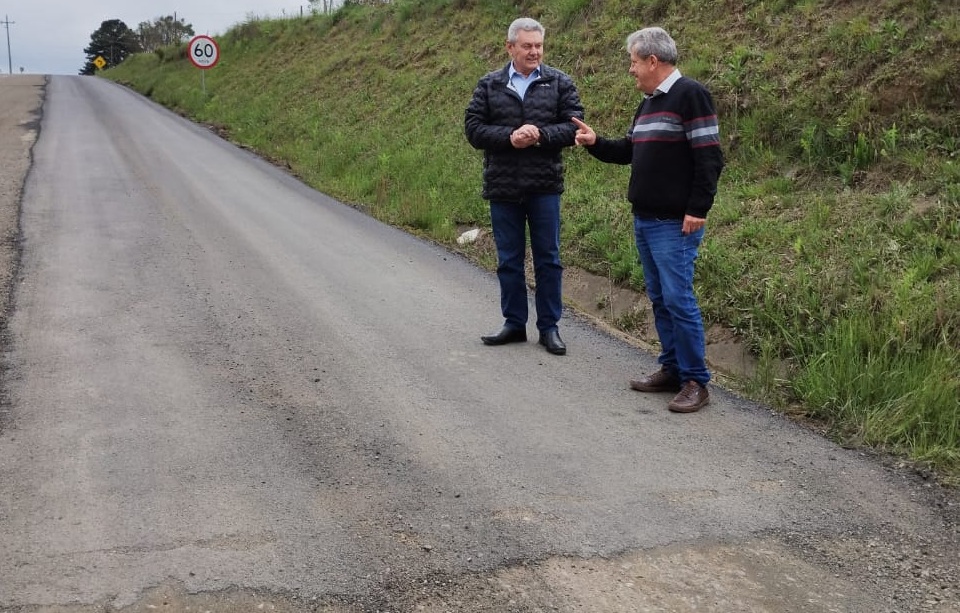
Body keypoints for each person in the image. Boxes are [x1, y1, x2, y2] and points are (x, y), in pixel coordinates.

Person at [572, 27, 723, 412]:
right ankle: (672, 368)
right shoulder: (649, 104)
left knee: (678, 298)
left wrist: (697, 209)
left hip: (675, 223)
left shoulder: (691, 95)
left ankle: (695, 381)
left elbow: (709, 157)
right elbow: (630, 151)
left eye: (634, 62)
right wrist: (595, 143)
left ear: (653, 61)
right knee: (659, 298)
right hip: (645, 219)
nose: (631, 69)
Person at [465, 17, 584, 356]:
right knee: (509, 260)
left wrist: (540, 135)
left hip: (544, 185)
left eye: (539, 46)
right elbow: (473, 129)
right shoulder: (489, 84)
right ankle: (514, 323)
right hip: (503, 187)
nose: (534, 52)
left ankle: (549, 327)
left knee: (549, 259)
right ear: (510, 47)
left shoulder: (560, 82)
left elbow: (574, 126)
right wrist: (509, 138)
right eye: (527, 46)